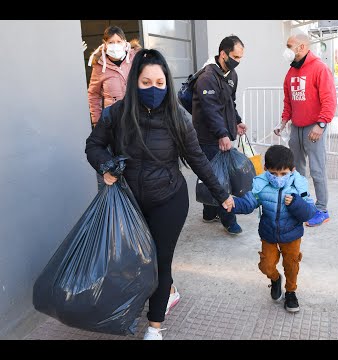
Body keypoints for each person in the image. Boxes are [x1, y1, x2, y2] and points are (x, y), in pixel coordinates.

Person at [85, 49, 234, 340]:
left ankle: (154, 327)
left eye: (159, 83)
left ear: (166, 82)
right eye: (145, 83)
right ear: (134, 83)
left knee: (160, 260)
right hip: (129, 201)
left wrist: (222, 194)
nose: (154, 89)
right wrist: (104, 166)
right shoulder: (116, 114)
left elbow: (197, 158)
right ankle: (169, 291)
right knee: (134, 260)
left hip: (169, 199)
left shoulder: (178, 117)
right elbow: (94, 145)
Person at [228, 145, 316, 312]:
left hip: (292, 235)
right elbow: (249, 203)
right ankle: (275, 279)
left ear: (292, 170)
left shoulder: (299, 186)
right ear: (266, 169)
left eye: (283, 174)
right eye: (274, 173)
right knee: (266, 265)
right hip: (269, 233)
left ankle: (291, 292)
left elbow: (309, 213)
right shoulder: (261, 184)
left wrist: (296, 203)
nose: (278, 178)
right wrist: (233, 204)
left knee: (291, 265)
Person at [274, 32, 337, 227]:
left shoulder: (319, 68)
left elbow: (329, 100)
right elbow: (289, 102)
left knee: (317, 170)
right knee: (296, 170)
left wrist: (321, 124)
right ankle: (302, 204)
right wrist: (283, 122)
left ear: (301, 47)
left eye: (289, 45)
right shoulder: (291, 72)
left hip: (314, 127)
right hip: (296, 128)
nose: (287, 50)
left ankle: (322, 209)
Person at [191, 35, 247, 235]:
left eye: (240, 57)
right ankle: (228, 220)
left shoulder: (231, 75)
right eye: (235, 56)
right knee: (219, 178)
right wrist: (222, 134)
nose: (237, 61)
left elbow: (230, 103)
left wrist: (238, 120)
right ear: (223, 53)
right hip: (208, 138)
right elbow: (210, 110)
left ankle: (209, 211)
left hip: (222, 134)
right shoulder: (207, 77)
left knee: (213, 174)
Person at [87, 26, 142, 192]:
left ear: (125, 42)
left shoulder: (136, 58)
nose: (116, 45)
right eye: (111, 42)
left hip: (136, 118)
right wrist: (97, 121)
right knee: (118, 158)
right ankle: (119, 194)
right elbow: (93, 94)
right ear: (105, 44)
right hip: (113, 122)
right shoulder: (99, 65)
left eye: (119, 41)